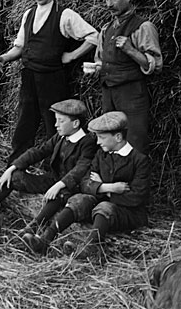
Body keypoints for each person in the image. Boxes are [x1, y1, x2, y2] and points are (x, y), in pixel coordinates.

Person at [0, 0, 98, 166]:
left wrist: (72, 55)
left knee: (54, 125)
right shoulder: (28, 14)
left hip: (52, 79)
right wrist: (4, 58)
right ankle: (16, 165)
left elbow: (93, 36)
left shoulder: (64, 15)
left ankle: (53, 169)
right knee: (25, 122)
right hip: (29, 76)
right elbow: (20, 46)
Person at [22, 111, 151, 259]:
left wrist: (100, 187)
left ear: (118, 137)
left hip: (129, 213)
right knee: (79, 200)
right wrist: (107, 187)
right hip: (101, 206)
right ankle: (45, 240)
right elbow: (85, 183)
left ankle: (91, 248)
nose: (98, 142)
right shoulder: (101, 154)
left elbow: (136, 197)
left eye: (102, 138)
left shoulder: (139, 161)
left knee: (104, 207)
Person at [85, 0, 162, 155]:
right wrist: (97, 68)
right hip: (109, 93)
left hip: (132, 93)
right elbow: (101, 59)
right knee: (109, 139)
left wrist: (130, 50)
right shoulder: (106, 29)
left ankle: (137, 174)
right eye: (106, 0)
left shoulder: (143, 27)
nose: (109, 4)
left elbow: (156, 65)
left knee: (135, 141)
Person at [0, 99, 97, 233]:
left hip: (72, 187)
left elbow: (81, 168)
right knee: (15, 177)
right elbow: (38, 152)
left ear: (75, 124)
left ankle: (34, 227)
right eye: (56, 120)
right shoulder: (60, 137)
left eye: (61, 121)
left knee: (58, 195)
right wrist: (12, 168)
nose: (56, 125)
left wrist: (59, 185)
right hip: (53, 179)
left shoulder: (87, 142)